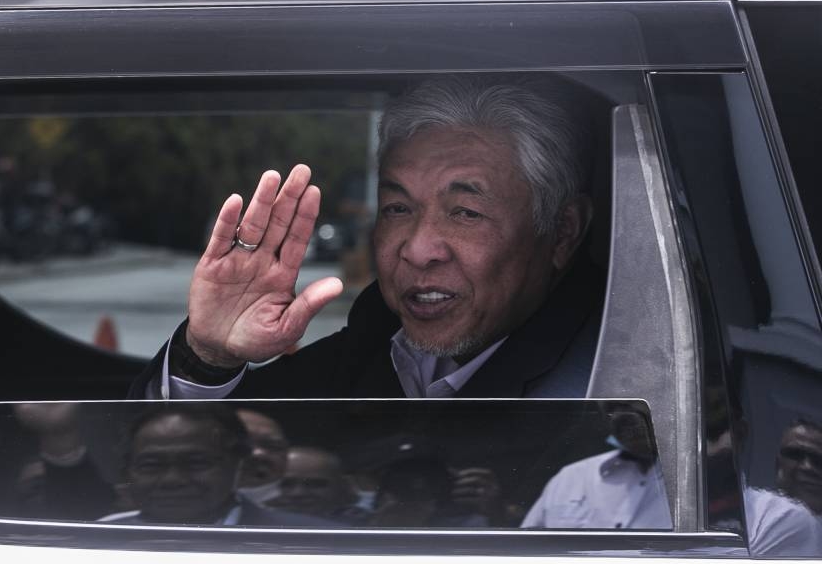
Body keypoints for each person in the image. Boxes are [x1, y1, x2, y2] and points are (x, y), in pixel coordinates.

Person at [129, 75, 604, 400]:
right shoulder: (360, 356)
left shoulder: (612, 387)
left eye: (465, 212)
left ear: (562, 232)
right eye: (398, 208)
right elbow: (164, 481)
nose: (418, 250)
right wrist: (209, 357)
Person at [99, 405, 333, 526]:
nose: (173, 479)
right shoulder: (94, 541)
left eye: (196, 463)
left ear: (237, 464)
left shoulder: (318, 539)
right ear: (127, 471)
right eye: (152, 465)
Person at [520, 402, 672, 529]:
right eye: (610, 408)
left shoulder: (692, 480)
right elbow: (522, 549)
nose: (619, 417)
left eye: (630, 405)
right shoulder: (570, 477)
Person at [265, 446, 361, 521]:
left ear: (342, 487)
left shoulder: (365, 528)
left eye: (315, 484)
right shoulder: (252, 521)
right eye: (286, 484)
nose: (298, 493)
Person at [775, 419, 822, 516]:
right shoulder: (749, 514)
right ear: (778, 464)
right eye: (795, 454)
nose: (807, 467)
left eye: (818, 460)